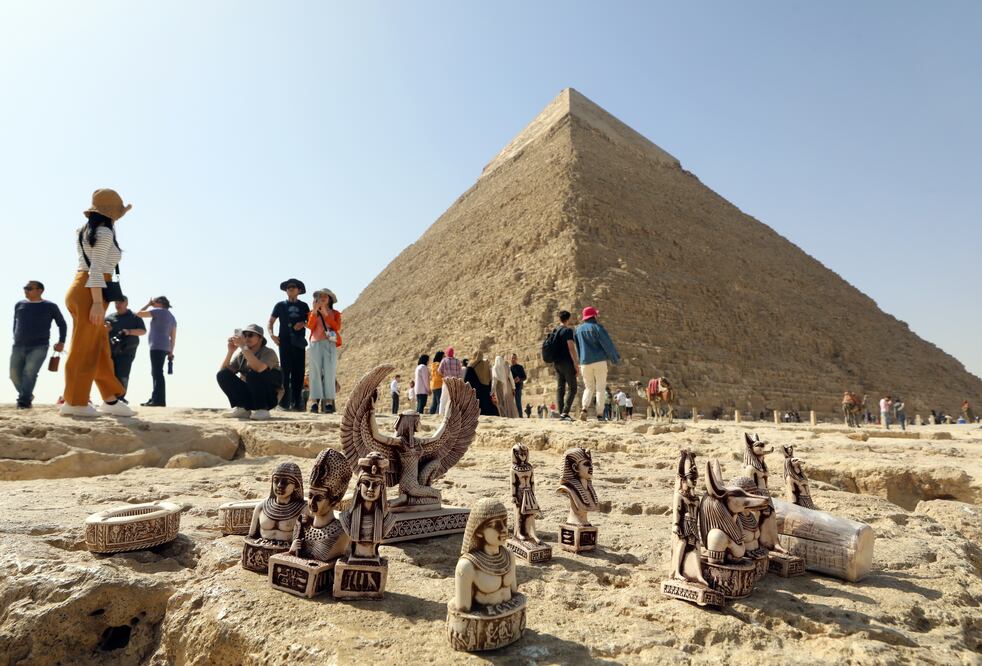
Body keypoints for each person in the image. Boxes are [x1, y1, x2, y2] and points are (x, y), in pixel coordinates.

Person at [62, 189, 134, 417]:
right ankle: (74, 401)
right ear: (111, 213)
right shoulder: (103, 233)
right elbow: (95, 269)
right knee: (85, 348)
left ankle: (111, 400)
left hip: (83, 287)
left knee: (99, 345)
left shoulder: (85, 231)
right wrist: (95, 302)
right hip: (91, 290)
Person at [11, 280, 67, 409]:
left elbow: (62, 324)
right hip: (18, 345)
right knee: (13, 374)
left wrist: (61, 341)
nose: (25, 290)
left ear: (40, 290)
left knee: (29, 372)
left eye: (29, 288)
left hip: (39, 346)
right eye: (25, 287)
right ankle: (27, 395)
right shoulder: (19, 304)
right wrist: (15, 336)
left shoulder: (50, 306)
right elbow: (15, 323)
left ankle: (23, 402)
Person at [217, 324, 282, 420]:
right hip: (251, 394)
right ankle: (242, 408)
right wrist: (230, 351)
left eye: (251, 335)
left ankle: (262, 409)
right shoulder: (242, 355)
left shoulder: (268, 352)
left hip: (269, 397)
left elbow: (259, 368)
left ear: (260, 338)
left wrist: (243, 346)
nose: (247, 338)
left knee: (254, 373)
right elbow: (223, 371)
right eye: (245, 335)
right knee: (222, 375)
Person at [268, 279, 310, 411]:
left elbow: (311, 323)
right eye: (288, 287)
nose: (290, 289)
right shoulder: (280, 305)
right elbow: (270, 322)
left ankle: (297, 402)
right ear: (286, 290)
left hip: (298, 342)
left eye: (293, 287)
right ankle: (284, 403)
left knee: (299, 372)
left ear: (299, 290)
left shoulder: (304, 306)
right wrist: (272, 335)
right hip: (284, 342)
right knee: (285, 372)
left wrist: (302, 324)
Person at [575, 306, 620, 421]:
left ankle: (584, 409)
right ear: (593, 316)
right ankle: (600, 414)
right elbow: (607, 344)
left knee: (588, 387)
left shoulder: (578, 330)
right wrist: (614, 358)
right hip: (599, 361)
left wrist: (580, 361)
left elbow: (578, 348)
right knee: (600, 388)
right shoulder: (597, 328)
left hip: (585, 362)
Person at [306, 288, 342, 414]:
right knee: (315, 372)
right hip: (315, 343)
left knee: (329, 372)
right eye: (320, 296)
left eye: (325, 296)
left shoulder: (336, 313)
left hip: (329, 343)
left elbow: (337, 327)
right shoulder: (312, 312)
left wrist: (326, 315)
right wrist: (315, 312)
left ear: (330, 298)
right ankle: (315, 402)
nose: (322, 298)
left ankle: (328, 402)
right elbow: (310, 326)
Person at [135, 296, 176, 407]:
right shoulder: (172, 317)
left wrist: (148, 305)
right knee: (157, 372)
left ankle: (158, 400)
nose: (153, 303)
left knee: (157, 373)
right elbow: (173, 337)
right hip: (165, 347)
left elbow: (138, 314)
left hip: (156, 346)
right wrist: (171, 352)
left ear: (161, 303)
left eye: (155, 302)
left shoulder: (158, 311)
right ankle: (156, 398)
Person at [105, 296, 146, 397]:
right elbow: (101, 332)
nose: (117, 305)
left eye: (120, 302)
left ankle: (120, 397)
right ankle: (111, 398)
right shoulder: (109, 318)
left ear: (126, 303)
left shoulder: (135, 317)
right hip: (111, 351)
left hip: (127, 351)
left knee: (123, 374)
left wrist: (129, 331)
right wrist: (105, 329)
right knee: (110, 375)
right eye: (116, 302)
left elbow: (143, 331)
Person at [548, 310, 579, 421]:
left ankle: (562, 413)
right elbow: (571, 347)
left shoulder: (555, 330)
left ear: (559, 318)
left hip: (556, 363)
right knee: (573, 388)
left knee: (560, 389)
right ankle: (565, 413)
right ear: (568, 319)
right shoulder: (567, 331)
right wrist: (576, 363)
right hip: (566, 362)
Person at [464, 350, 498, 416]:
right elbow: (490, 378)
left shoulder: (471, 365)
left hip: (476, 391)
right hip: (486, 390)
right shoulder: (486, 365)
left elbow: (466, 379)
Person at [437, 347, 463, 415]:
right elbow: (460, 372)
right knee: (452, 399)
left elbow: (439, 371)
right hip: (454, 382)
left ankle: (441, 413)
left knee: (443, 399)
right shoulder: (457, 361)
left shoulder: (444, 360)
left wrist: (444, 374)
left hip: (446, 382)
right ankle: (450, 413)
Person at [510, 353, 527, 418]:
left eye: (514, 358)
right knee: (511, 403)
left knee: (518, 403)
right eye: (512, 358)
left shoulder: (520, 367)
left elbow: (525, 377)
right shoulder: (509, 368)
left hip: (518, 387)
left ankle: (520, 416)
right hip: (510, 388)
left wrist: (519, 379)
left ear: (516, 359)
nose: (513, 359)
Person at [429, 350, 445, 414]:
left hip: (433, 385)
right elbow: (441, 374)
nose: (445, 357)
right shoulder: (439, 365)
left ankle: (431, 413)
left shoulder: (433, 365)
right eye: (443, 356)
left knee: (434, 402)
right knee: (439, 402)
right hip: (439, 384)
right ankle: (438, 414)